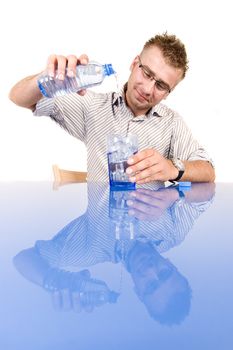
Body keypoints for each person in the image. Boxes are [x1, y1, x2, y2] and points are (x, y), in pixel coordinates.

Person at [9, 32, 215, 184]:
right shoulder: (92, 106)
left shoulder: (171, 123)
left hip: (147, 235)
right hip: (99, 235)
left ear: (169, 92)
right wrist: (46, 78)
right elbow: (19, 97)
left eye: (161, 85)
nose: (148, 89)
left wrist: (173, 168)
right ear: (135, 63)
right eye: (147, 73)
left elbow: (208, 171)